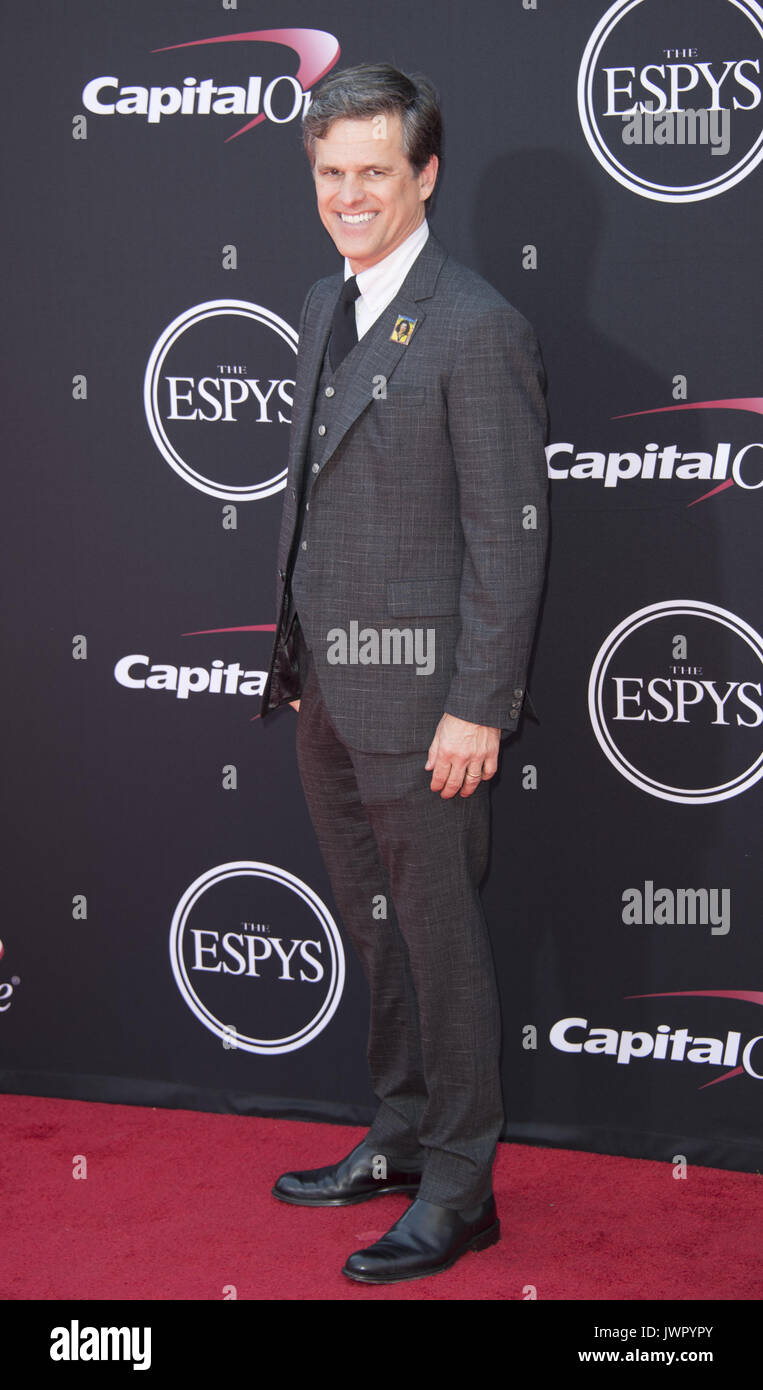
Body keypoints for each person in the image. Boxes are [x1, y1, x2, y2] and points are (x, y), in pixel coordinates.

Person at [260, 62, 549, 1284]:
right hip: (327, 692)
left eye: (374, 171)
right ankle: (396, 1134)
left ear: (423, 174)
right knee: (378, 937)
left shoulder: (478, 325)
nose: (350, 194)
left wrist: (479, 701)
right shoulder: (328, 302)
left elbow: (510, 532)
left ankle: (461, 1187)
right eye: (331, 173)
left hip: (429, 708)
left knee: (439, 945)